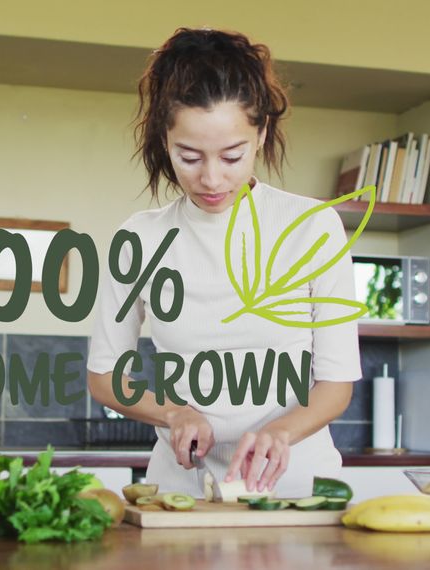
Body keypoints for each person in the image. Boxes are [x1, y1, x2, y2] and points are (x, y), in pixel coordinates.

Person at [86, 27, 362, 499]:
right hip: (183, 492)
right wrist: (173, 413)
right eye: (188, 156)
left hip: (295, 491)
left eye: (232, 156)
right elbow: (105, 377)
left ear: (262, 135)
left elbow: (335, 385)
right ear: (164, 140)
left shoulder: (312, 228)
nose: (211, 178)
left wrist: (283, 431)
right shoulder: (140, 239)